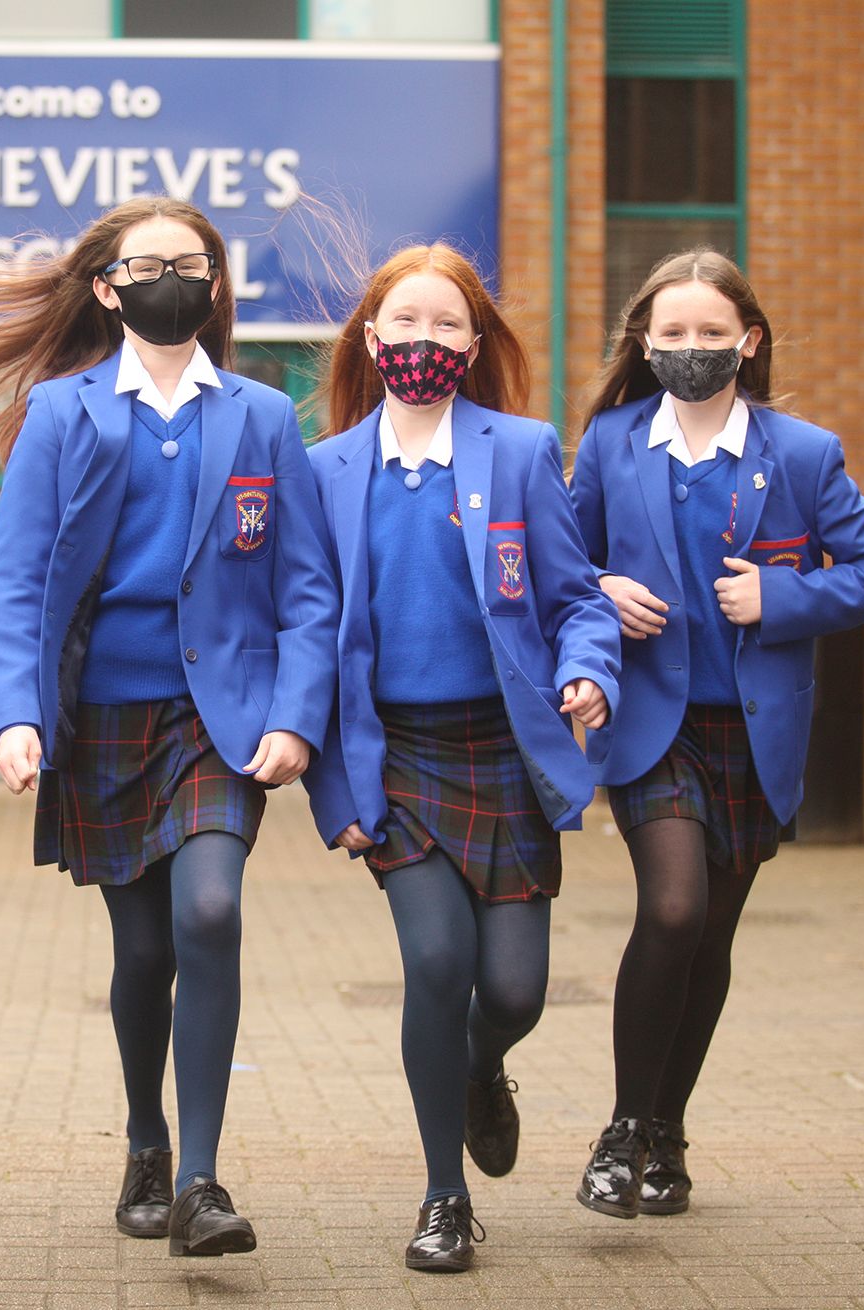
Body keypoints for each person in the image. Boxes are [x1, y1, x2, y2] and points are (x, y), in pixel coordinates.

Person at [0, 196, 338, 1257]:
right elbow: (17, 581)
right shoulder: (63, 413)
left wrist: (296, 714)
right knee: (143, 944)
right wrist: (13, 713)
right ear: (106, 287)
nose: (172, 279)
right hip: (102, 713)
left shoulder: (262, 414)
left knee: (208, 910)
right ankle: (145, 1137)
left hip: (219, 719)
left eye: (191, 263)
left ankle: (199, 1176)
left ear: (216, 284)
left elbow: (307, 591)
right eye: (149, 263)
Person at [568, 248, 864, 1218]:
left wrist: (786, 593)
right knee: (672, 909)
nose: (691, 349)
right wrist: (600, 587)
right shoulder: (610, 443)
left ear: (747, 341)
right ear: (645, 340)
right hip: (653, 730)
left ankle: (670, 1130)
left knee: (710, 937)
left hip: (757, 738)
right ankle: (625, 1129)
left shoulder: (802, 454)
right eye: (671, 334)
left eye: (712, 333)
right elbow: (558, 558)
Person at [302, 242, 618, 1271]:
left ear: (474, 344)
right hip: (395, 757)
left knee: (515, 991)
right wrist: (330, 782)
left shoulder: (521, 451)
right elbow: (311, 635)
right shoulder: (326, 470)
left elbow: (575, 597)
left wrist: (588, 670)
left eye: (447, 325)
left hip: (505, 753)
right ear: (371, 337)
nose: (424, 341)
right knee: (435, 963)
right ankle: (445, 1196)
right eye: (406, 323)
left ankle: (482, 1068)